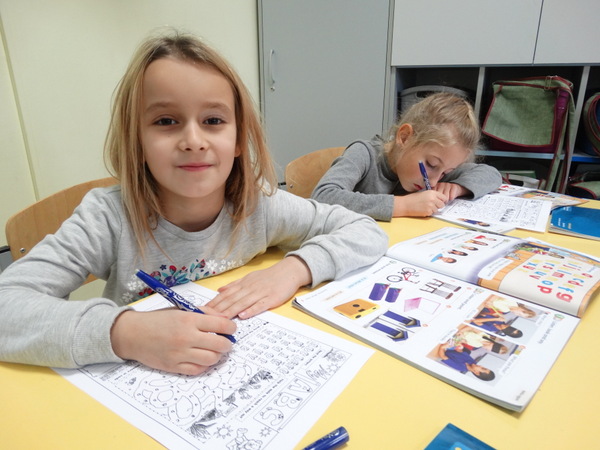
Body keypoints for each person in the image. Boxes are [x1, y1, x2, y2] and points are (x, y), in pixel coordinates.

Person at [0, 30, 388, 375]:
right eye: (166, 121)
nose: (193, 141)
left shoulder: (259, 207)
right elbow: (7, 305)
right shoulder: (107, 218)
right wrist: (125, 332)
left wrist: (294, 269)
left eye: (213, 121)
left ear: (238, 140)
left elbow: (362, 229)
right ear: (137, 142)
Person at [311, 93, 502, 221]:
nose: (433, 182)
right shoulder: (364, 154)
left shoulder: (438, 169)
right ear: (404, 137)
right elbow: (323, 196)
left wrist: (458, 187)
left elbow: (492, 174)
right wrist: (402, 205)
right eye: (431, 164)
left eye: (446, 172)